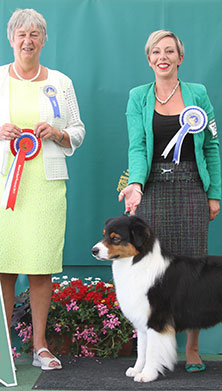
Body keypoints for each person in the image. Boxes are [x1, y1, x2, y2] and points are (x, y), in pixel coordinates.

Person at [119, 30, 221, 373]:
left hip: (192, 187)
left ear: (180, 57)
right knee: (151, 275)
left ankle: (191, 348)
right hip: (153, 192)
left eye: (169, 51)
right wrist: (134, 184)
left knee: (193, 270)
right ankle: (148, 353)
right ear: (149, 59)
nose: (163, 57)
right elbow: (136, 146)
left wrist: (214, 193)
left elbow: (211, 146)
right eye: (156, 52)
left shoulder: (198, 94)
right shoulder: (137, 97)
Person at [0, 9, 85, 370]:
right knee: (2, 267)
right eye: (21, 34)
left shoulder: (61, 83)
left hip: (46, 186)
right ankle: (4, 349)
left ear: (44, 40)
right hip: (4, 186)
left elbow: (79, 130)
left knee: (40, 267)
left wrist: (59, 133)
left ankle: (39, 345)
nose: (28, 40)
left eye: (35, 34)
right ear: (10, 38)